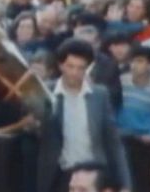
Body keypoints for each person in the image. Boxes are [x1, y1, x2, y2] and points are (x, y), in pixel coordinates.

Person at [37, 38, 131, 192]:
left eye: (81, 68)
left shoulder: (99, 95)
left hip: (92, 176)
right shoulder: (47, 92)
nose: (74, 73)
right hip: (59, 175)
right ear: (61, 66)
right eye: (70, 66)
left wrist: (125, 184)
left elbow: (113, 142)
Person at [117, 45, 150, 192]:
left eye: (139, 61)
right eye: (132, 61)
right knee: (124, 178)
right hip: (122, 136)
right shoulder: (121, 82)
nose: (134, 65)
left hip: (143, 140)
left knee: (143, 179)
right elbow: (112, 107)